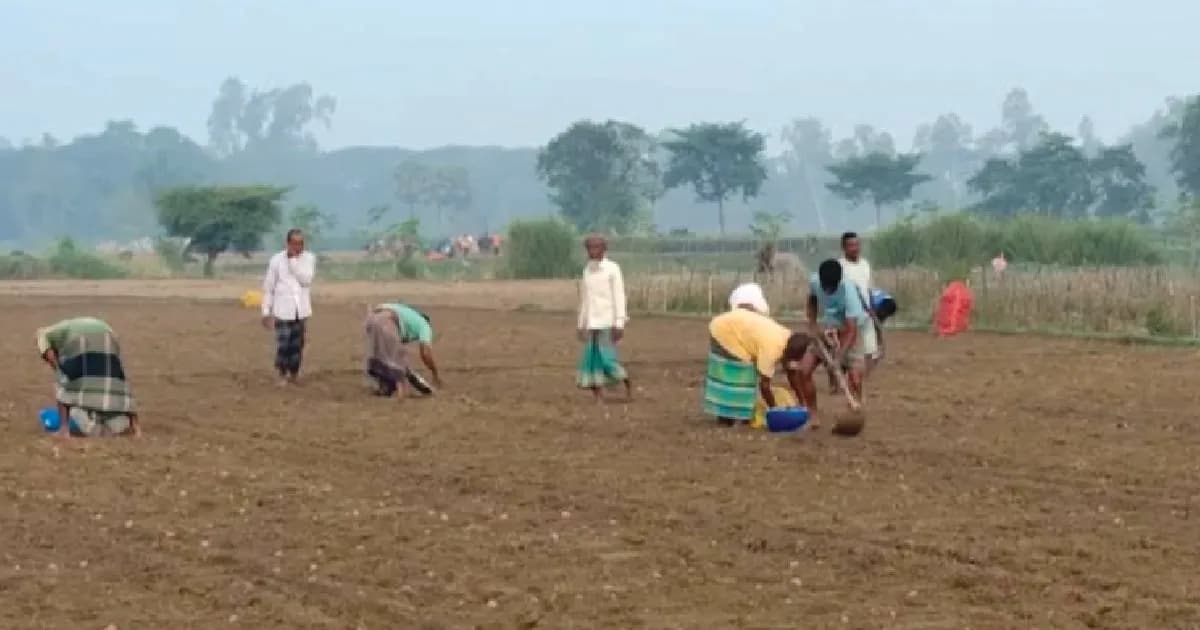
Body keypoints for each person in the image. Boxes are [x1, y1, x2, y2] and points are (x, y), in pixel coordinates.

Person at [703, 301, 817, 427]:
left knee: (743, 376)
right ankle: (728, 416)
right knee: (739, 373)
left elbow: (792, 374)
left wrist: (802, 403)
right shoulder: (772, 349)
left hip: (735, 324)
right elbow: (764, 386)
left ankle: (738, 414)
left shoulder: (788, 338)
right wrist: (776, 411)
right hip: (724, 331)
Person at [37, 317, 140, 438]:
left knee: (64, 382)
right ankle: (136, 428)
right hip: (109, 334)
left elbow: (47, 351)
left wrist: (57, 368)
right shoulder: (64, 327)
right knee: (115, 381)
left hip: (80, 338)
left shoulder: (43, 334)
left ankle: (64, 430)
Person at [801, 259, 877, 408]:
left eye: (832, 288)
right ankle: (813, 415)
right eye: (826, 287)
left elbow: (852, 330)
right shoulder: (815, 281)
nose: (828, 291)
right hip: (830, 329)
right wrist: (812, 323)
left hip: (851, 331)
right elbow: (812, 300)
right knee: (804, 370)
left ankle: (857, 407)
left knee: (855, 379)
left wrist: (839, 357)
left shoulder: (849, 292)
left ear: (839, 281)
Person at [576, 234, 632, 402]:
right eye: (590, 248)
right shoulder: (587, 271)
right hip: (592, 323)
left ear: (604, 249)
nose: (593, 251)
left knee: (607, 360)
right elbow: (585, 299)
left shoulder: (612, 269)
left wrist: (620, 323)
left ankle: (626, 382)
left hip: (608, 322)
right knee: (592, 362)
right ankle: (599, 396)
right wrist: (581, 324)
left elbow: (619, 296)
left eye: (596, 247)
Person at [261, 228, 316, 386]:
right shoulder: (276, 260)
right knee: (283, 343)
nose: (298, 247)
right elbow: (268, 288)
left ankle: (294, 373)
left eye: (301, 243)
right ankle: (281, 373)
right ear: (288, 243)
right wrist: (266, 311)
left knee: (297, 345)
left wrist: (293, 262)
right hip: (282, 310)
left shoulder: (309, 258)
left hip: (301, 310)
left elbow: (306, 280)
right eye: (295, 243)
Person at [364, 303, 442, 399]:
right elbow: (425, 353)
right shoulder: (425, 325)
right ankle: (401, 392)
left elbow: (379, 308)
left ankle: (384, 388)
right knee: (399, 359)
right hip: (387, 320)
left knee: (381, 356)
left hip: (371, 319)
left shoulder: (407, 314)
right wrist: (435, 372)